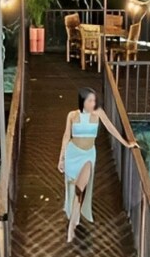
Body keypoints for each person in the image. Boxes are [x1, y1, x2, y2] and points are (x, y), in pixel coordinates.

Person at [58, 87, 138, 243]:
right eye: (90, 100)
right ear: (83, 101)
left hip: (88, 156)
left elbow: (110, 128)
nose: (93, 103)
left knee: (81, 188)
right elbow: (66, 136)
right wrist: (61, 158)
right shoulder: (72, 115)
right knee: (75, 189)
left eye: (94, 100)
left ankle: (72, 226)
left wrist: (126, 143)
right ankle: (74, 221)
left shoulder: (98, 113)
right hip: (72, 154)